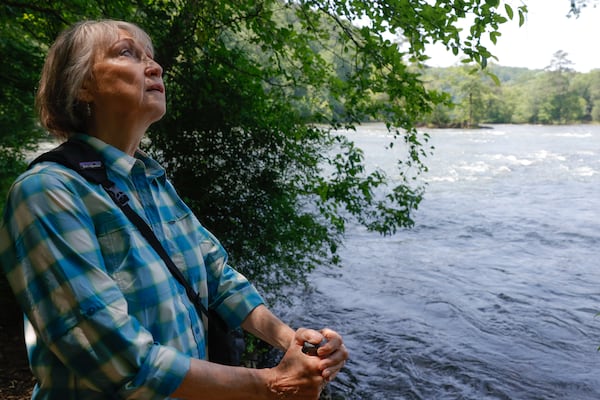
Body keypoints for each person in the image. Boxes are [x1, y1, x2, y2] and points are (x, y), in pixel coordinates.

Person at [0, 19, 348, 400]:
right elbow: (116, 357)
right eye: (127, 53)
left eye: (151, 56)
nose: (154, 66)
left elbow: (216, 276)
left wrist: (289, 339)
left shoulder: (150, 180)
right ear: (82, 85)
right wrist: (271, 384)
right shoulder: (47, 191)